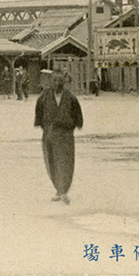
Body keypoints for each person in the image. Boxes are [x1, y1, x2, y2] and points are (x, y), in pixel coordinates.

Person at [34, 70, 83, 205]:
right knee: (52, 162)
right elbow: (39, 111)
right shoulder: (44, 96)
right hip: (49, 134)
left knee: (66, 162)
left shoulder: (70, 97)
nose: (57, 83)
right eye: (55, 80)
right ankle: (58, 189)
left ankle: (64, 190)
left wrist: (73, 126)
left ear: (64, 82)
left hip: (65, 135)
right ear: (51, 81)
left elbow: (77, 115)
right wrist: (43, 126)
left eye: (60, 81)